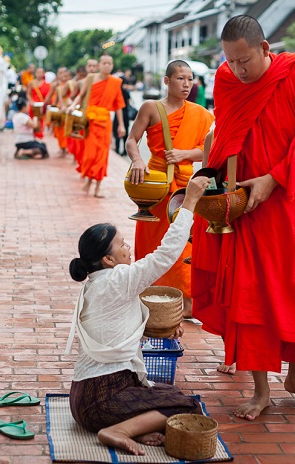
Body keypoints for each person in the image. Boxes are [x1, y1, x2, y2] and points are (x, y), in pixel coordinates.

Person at [191, 15, 295, 420]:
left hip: (294, 197)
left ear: (266, 49)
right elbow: (225, 135)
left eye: (245, 61)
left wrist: (274, 178)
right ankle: (260, 389)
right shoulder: (225, 79)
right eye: (231, 62)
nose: (238, 70)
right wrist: (214, 185)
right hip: (245, 204)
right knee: (248, 293)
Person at [66, 176, 211, 456]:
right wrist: (189, 202)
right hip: (104, 398)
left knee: (166, 393)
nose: (127, 248)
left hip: (82, 400)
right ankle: (117, 430)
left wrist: (160, 328)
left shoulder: (95, 285)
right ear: (108, 260)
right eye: (121, 244)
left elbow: (115, 330)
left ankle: (135, 426)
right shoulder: (119, 278)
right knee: (185, 404)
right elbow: (164, 256)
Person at [125, 60, 214, 319]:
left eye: (190, 79)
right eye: (180, 79)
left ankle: (187, 302)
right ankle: (152, 293)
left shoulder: (201, 113)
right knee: (153, 242)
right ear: (167, 81)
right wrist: (137, 160)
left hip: (186, 187)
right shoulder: (151, 108)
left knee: (185, 243)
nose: (186, 84)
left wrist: (184, 153)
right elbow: (132, 139)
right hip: (154, 186)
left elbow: (209, 148)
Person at [68, 55, 126, 198]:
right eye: (104, 63)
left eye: (110, 63)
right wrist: (72, 105)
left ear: (112, 66)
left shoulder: (115, 82)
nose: (107, 66)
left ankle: (97, 187)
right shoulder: (90, 78)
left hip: (105, 122)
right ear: (99, 64)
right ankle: (88, 181)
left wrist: (121, 126)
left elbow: (118, 105)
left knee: (102, 155)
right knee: (90, 154)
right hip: (90, 122)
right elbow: (81, 96)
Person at [26, 67, 51, 139]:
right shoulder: (31, 83)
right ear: (35, 73)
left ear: (43, 74)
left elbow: (48, 95)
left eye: (41, 72)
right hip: (33, 105)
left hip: (42, 105)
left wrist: (44, 103)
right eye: (38, 72)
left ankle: (39, 136)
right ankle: (32, 136)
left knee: (41, 121)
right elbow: (28, 94)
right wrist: (31, 102)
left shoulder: (47, 84)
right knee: (32, 121)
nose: (39, 74)